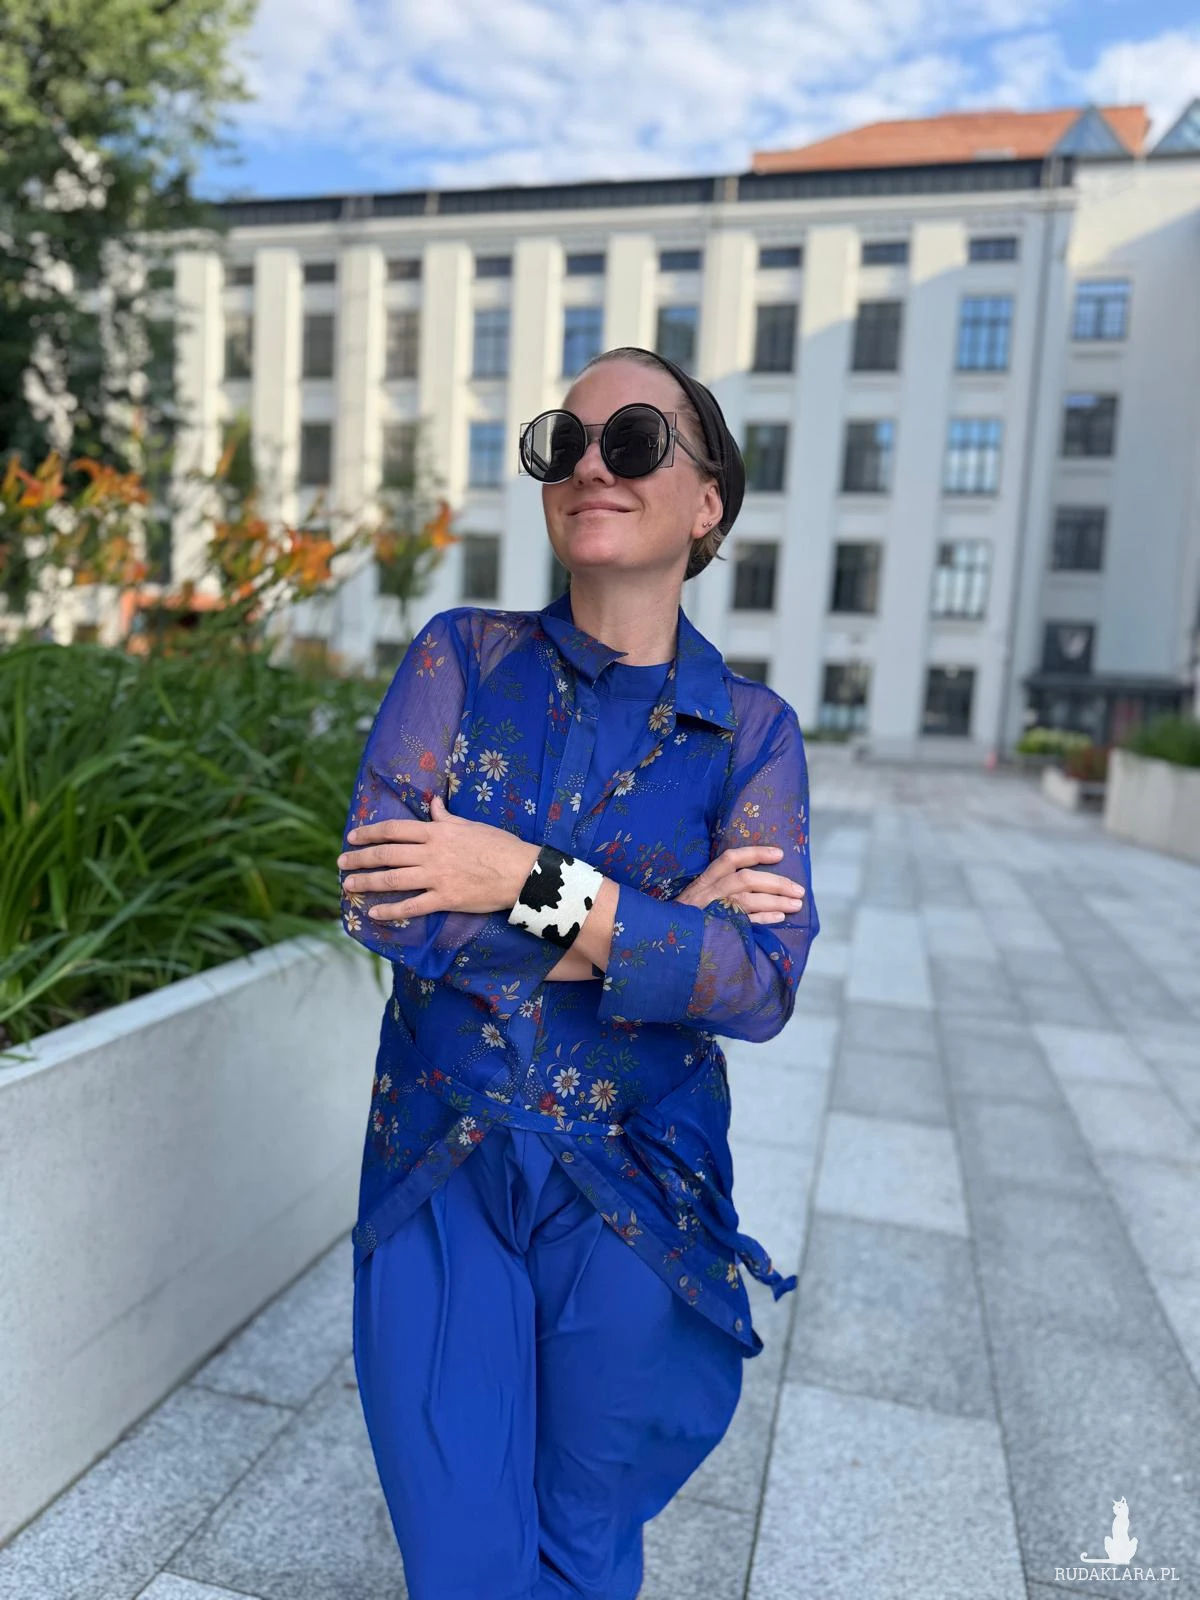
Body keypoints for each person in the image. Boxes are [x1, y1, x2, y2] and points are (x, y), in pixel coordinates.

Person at [337, 346, 820, 1599]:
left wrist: (512, 874)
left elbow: (757, 981)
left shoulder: (753, 733)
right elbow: (386, 901)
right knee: (461, 1555)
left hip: (636, 1185)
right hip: (439, 1161)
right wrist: (652, 930)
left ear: (707, 500)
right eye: (566, 441)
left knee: (581, 1545)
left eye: (636, 441)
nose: (592, 464)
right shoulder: (461, 658)